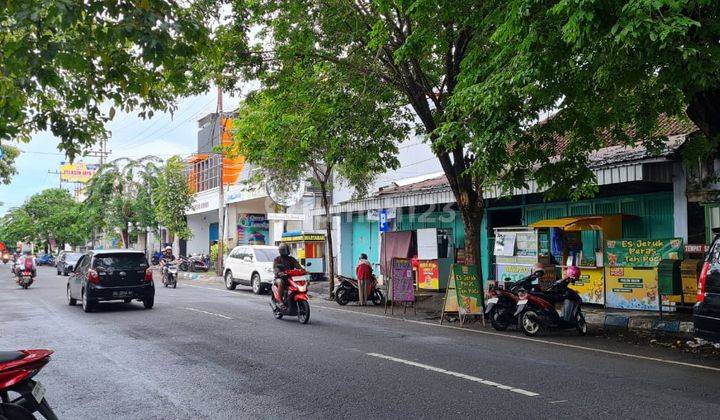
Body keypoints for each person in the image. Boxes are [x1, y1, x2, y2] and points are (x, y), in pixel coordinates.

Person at [273, 243, 301, 309]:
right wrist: (279, 273)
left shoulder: (291, 259)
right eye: (282, 250)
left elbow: (298, 266)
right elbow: (275, 268)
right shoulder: (277, 259)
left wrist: (304, 271)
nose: (283, 251)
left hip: (290, 278)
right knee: (280, 282)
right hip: (280, 278)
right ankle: (280, 301)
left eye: (284, 250)